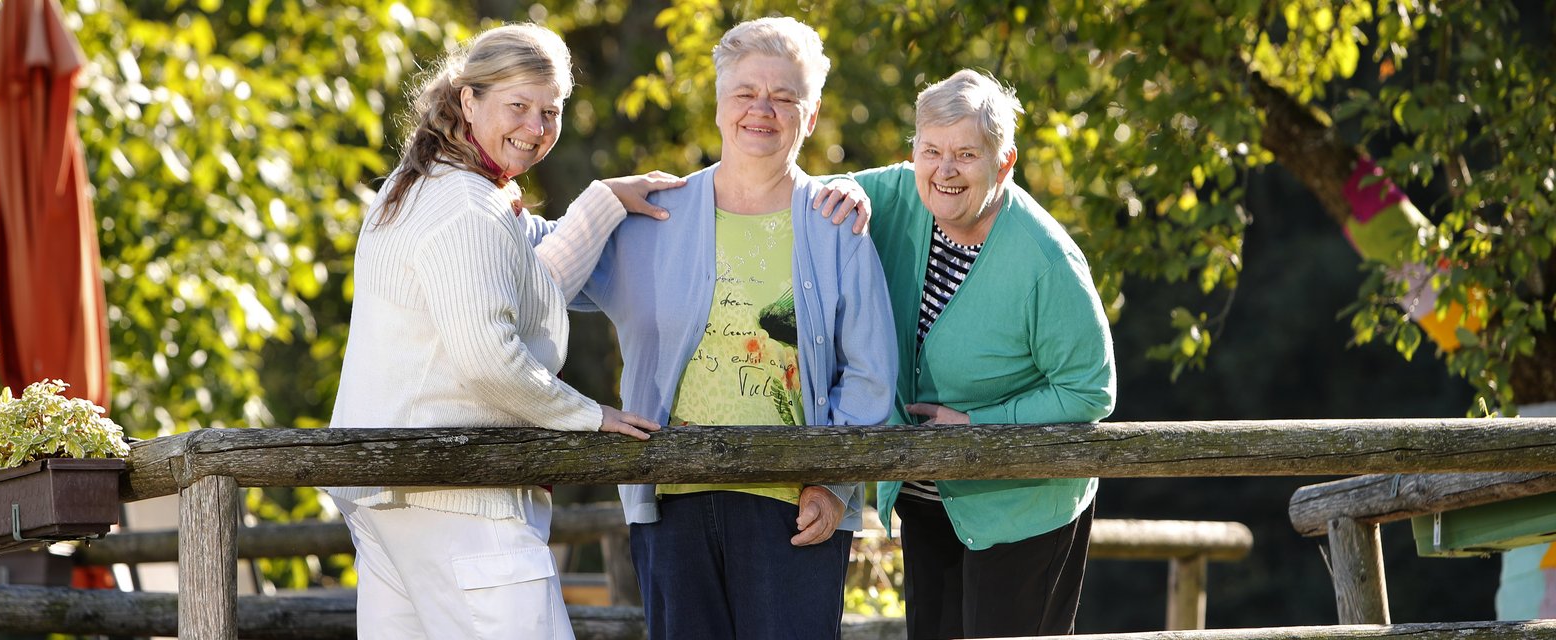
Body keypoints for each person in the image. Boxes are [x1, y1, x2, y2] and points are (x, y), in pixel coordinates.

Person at [323, 24, 682, 639]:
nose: (536, 127)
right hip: (456, 494)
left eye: (551, 111)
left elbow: (523, 287)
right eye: (517, 106)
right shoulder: (465, 204)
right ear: (469, 101)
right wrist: (587, 414)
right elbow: (489, 357)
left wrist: (602, 202)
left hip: (394, 493)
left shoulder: (428, 186)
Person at [572, 17, 897, 640]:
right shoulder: (654, 217)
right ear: (719, 102)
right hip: (670, 503)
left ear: (812, 112)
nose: (762, 110)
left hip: (794, 511)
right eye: (746, 92)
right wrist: (603, 197)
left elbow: (872, 374)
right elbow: (540, 276)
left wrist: (832, 487)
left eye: (784, 96)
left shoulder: (836, 228)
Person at [819, 69, 1117, 638]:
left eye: (966, 154)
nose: (944, 170)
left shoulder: (1046, 259)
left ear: (1003, 163)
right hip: (929, 497)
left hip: (1023, 506)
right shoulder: (899, 191)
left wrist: (981, 425)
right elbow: (805, 195)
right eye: (931, 150)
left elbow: (1090, 391)